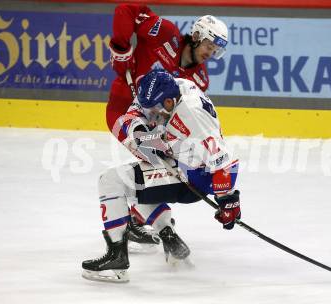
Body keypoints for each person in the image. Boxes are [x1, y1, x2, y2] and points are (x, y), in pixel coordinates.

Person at [82, 70, 241, 282]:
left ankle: (116, 261)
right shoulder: (174, 87)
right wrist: (141, 134)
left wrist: (228, 199)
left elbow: (224, 161)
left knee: (111, 182)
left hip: (192, 178)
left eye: (156, 109)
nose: (152, 114)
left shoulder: (192, 115)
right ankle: (168, 236)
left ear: (168, 101)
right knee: (132, 186)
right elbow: (135, 113)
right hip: (179, 158)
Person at [106, 3, 229, 250]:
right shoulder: (165, 34)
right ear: (196, 36)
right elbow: (126, 10)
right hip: (123, 112)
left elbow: (184, 114)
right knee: (148, 169)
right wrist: (122, 48)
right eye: (209, 45)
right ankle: (160, 228)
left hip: (154, 127)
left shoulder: (199, 78)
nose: (210, 52)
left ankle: (142, 219)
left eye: (215, 50)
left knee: (155, 171)